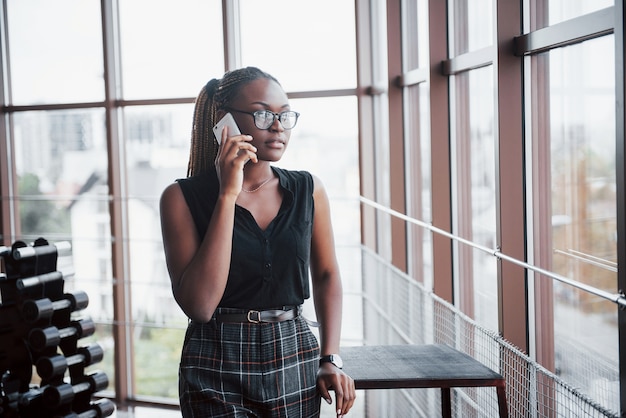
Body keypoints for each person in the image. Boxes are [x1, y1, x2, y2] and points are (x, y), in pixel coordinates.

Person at [159, 66, 356, 417]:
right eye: (263, 114)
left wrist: (331, 357)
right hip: (214, 359)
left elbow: (326, 275)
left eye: (284, 115)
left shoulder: (309, 190)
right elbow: (200, 306)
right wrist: (226, 195)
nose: (277, 126)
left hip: (293, 353)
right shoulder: (179, 198)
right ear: (224, 122)